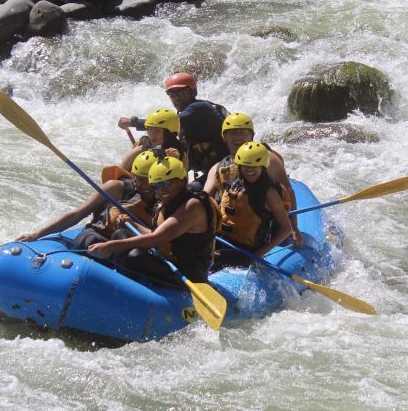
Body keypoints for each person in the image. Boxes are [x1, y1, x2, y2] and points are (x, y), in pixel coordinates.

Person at [88, 156, 220, 286]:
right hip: (167, 260)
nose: (161, 190)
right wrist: (133, 225)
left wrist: (109, 246)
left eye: (166, 183)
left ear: (182, 181)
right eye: (156, 185)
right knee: (120, 234)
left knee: (136, 257)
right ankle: (120, 278)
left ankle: (121, 288)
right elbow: (155, 233)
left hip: (188, 275)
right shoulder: (169, 201)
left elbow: (157, 238)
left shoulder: (193, 206)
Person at [16, 150, 161, 251]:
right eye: (138, 179)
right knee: (89, 241)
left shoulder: (164, 198)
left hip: (128, 244)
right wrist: (37, 234)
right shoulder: (116, 188)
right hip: (98, 237)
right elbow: (77, 214)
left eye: (148, 180)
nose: (143, 185)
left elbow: (162, 236)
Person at [204, 112, 301, 245]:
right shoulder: (218, 168)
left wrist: (293, 227)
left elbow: (288, 190)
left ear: (251, 136)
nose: (238, 137)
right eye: (232, 133)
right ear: (224, 137)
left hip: (264, 226)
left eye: (243, 132)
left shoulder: (268, 159)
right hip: (231, 229)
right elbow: (205, 198)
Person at [118, 72, 228, 178]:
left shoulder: (200, 108)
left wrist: (133, 122)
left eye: (182, 92)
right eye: (172, 94)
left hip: (224, 166)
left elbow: (165, 123)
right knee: (147, 142)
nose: (177, 98)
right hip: (209, 168)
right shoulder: (185, 115)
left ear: (192, 92)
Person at [212, 142, 292, 270]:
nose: (250, 170)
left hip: (248, 250)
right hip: (224, 240)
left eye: (255, 166)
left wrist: (261, 252)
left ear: (263, 166)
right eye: (245, 166)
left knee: (212, 257)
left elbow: (286, 228)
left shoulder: (269, 193)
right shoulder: (233, 183)